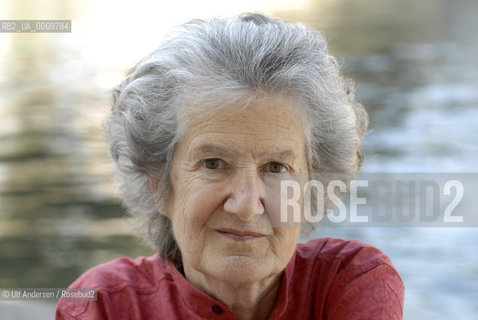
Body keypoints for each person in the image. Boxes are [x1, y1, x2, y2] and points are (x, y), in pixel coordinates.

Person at [56, 13, 404, 319]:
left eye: (277, 167)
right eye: (213, 163)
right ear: (158, 184)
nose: (247, 205)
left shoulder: (350, 281)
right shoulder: (103, 305)